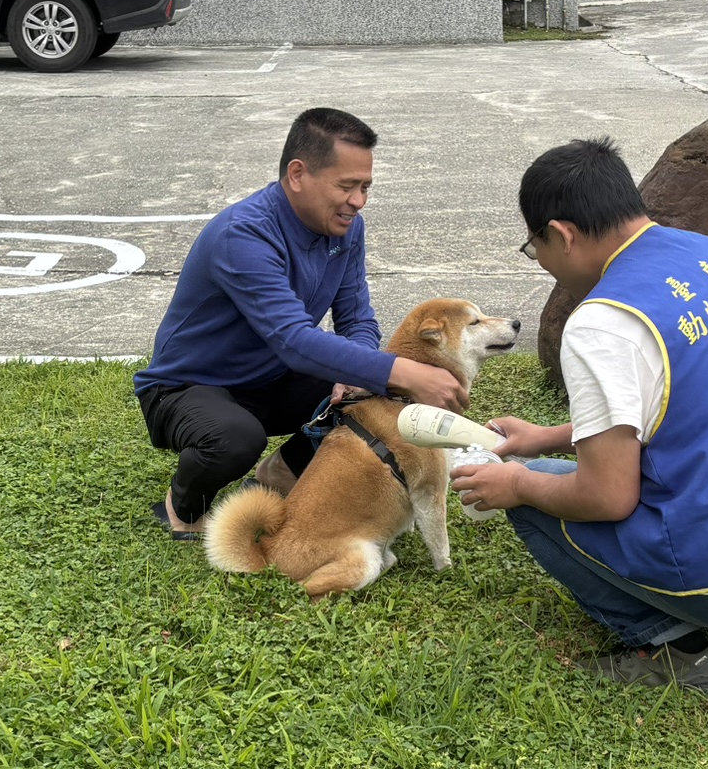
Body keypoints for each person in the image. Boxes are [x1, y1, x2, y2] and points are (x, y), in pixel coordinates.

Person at [451, 138, 708, 696]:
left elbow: (607, 498)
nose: (542, 263)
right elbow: (686, 409)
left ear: (563, 234)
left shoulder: (603, 320)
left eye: (535, 247)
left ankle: (679, 648)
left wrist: (520, 480)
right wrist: (547, 437)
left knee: (529, 496)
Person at [136, 107, 468, 537]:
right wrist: (405, 373)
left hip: (271, 378)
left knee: (367, 392)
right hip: (186, 387)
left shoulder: (347, 228)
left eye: (366, 187)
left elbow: (357, 318)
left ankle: (278, 476)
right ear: (297, 174)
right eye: (347, 186)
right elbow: (293, 339)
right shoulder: (244, 234)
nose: (358, 201)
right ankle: (183, 506)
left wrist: (360, 376)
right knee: (235, 439)